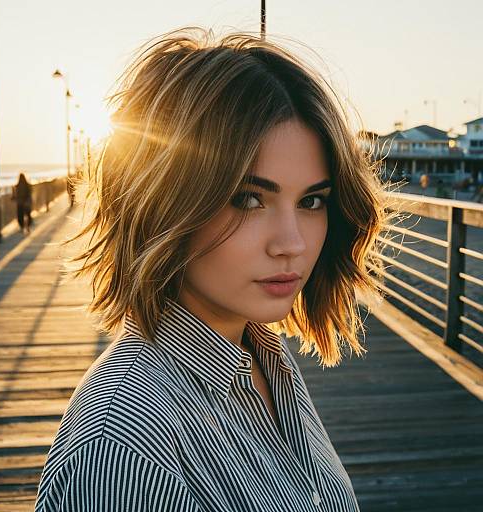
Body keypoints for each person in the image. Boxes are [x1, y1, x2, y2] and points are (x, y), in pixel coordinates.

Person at [34, 26, 396, 511]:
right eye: (248, 199)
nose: (291, 244)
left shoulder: (262, 355)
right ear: (163, 202)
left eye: (312, 200)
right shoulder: (124, 447)